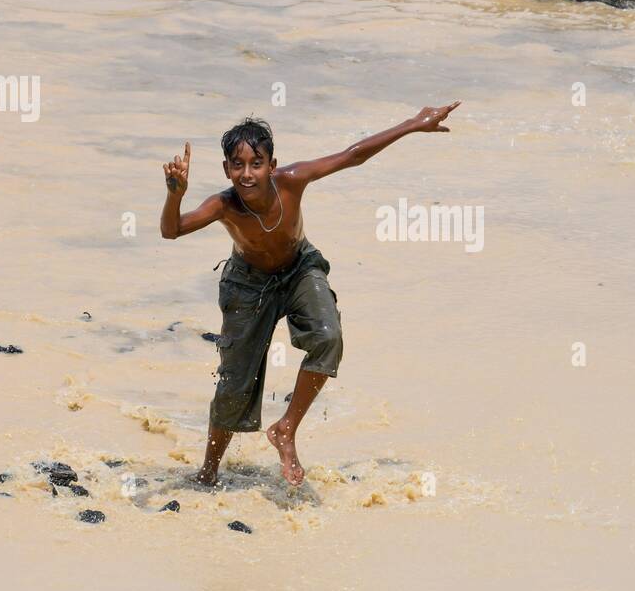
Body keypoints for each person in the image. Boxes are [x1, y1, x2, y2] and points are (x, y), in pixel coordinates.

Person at [160, 102, 460, 485]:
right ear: (226, 169)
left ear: (272, 164)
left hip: (299, 268)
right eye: (238, 165)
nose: (247, 174)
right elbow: (172, 230)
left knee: (328, 338)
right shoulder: (224, 204)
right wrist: (175, 193)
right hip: (247, 284)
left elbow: (352, 156)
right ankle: (209, 470)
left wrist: (413, 124)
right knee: (234, 382)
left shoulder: (292, 179)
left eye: (257, 163)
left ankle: (286, 428)